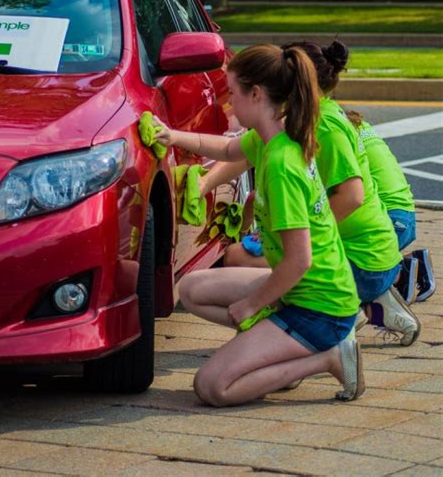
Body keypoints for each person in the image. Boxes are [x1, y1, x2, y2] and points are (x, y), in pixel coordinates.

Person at [153, 44, 363, 407]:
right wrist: (172, 136)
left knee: (213, 387)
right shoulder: (274, 136)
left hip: (319, 307)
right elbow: (227, 150)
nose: (228, 103)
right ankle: (281, 346)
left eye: (232, 93)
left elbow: (300, 260)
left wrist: (252, 304)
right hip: (296, 290)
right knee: (191, 289)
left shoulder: (281, 164)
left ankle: (328, 357)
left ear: (256, 93)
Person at [280, 40, 420, 344]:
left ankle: (338, 324)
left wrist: (305, 233)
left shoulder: (325, 126)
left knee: (286, 273)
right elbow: (241, 148)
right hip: (383, 239)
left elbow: (352, 197)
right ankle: (373, 299)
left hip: (383, 236)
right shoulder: (333, 117)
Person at [346, 110, 435, 302]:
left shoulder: (340, 136)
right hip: (405, 215)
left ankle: (399, 274)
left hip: (390, 221)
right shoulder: (362, 127)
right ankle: (410, 263)